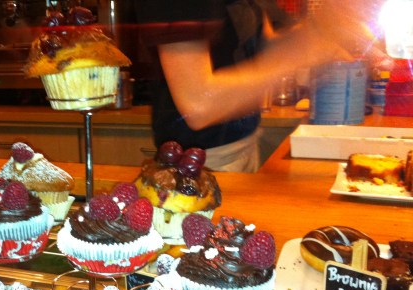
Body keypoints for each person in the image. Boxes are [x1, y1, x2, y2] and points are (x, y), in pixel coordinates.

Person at [132, 0, 383, 172]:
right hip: (199, 165)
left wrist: (328, 29)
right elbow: (199, 104)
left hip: (242, 147)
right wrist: (310, 47)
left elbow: (269, 48)